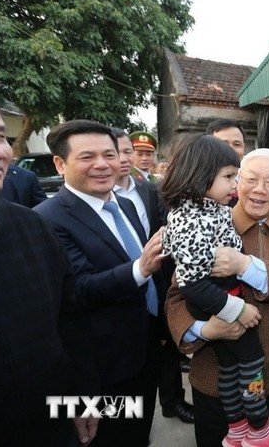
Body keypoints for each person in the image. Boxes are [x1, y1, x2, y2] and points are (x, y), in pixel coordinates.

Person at [165, 148, 269, 445]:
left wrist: (245, 266)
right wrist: (204, 330)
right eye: (251, 179)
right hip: (215, 382)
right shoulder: (206, 221)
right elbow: (176, 297)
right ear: (236, 181)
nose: (260, 189)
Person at [35, 120, 164, 446]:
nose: (103, 164)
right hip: (97, 368)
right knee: (106, 438)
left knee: (138, 433)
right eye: (87, 157)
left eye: (109, 154)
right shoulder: (45, 219)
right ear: (60, 164)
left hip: (144, 350)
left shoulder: (125, 205)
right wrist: (139, 269)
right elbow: (75, 291)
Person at [0, 109, 98, 447]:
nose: (0, 152)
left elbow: (70, 319)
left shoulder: (32, 228)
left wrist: (82, 398)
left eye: (0, 137)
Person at [112, 128, 194, 424]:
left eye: (128, 152)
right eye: (118, 152)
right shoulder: (100, 198)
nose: (124, 159)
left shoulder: (149, 190)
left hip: (157, 283)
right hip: (119, 290)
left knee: (166, 346)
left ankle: (172, 401)